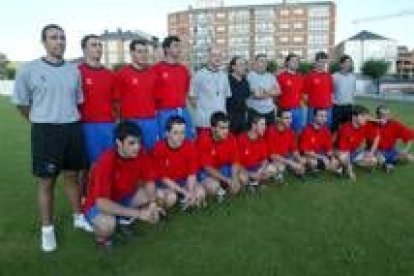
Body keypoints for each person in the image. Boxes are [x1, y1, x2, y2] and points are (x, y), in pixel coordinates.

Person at [11, 24, 91, 252]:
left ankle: (78, 217)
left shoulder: (73, 70)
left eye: (62, 38)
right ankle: (47, 230)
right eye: (54, 38)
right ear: (44, 42)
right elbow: (22, 104)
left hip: (72, 128)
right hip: (46, 131)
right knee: (46, 181)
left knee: (72, 176)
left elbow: (77, 101)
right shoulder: (29, 70)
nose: (59, 42)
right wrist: (40, 120)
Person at [82, 121, 163, 249]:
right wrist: (138, 214)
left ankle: (122, 219)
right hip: (98, 204)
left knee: (158, 194)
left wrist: (152, 203)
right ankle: (102, 239)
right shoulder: (106, 161)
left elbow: (149, 180)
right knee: (107, 224)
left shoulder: (140, 153)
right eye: (131, 143)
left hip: (123, 197)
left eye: (139, 142)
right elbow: (101, 203)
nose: (137, 147)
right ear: (119, 143)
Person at [78, 34, 117, 165]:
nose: (98, 48)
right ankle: (87, 186)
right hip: (86, 126)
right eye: (94, 45)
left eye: (100, 45)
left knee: (108, 164)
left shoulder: (109, 74)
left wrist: (115, 121)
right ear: (84, 49)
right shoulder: (77, 72)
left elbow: (116, 101)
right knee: (87, 167)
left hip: (108, 125)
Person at [152, 116, 205, 209]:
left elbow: (192, 173)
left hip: (183, 181)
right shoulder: (159, 148)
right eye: (175, 133)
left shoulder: (189, 146)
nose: (180, 136)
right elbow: (163, 178)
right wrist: (184, 192)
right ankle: (180, 197)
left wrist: (191, 191)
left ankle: (185, 199)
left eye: (182, 132)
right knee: (171, 198)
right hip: (166, 184)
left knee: (200, 193)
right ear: (167, 133)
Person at [115, 39, 159, 150]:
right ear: (132, 53)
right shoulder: (122, 74)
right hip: (131, 122)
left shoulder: (152, 74)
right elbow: (116, 101)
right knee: (132, 155)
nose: (143, 55)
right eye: (140, 51)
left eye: (145, 51)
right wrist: (120, 121)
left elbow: (156, 98)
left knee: (151, 153)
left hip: (150, 121)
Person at [152, 36, 194, 139]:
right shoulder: (156, 69)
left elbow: (186, 92)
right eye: (176, 46)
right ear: (166, 49)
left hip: (182, 111)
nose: (179, 49)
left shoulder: (183, 70)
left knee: (186, 141)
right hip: (165, 113)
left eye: (180, 46)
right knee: (167, 142)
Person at [196, 112, 242, 199]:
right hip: (206, 172)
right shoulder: (203, 139)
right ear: (213, 129)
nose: (226, 131)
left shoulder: (231, 137)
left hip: (223, 168)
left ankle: (226, 194)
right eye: (222, 128)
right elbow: (207, 167)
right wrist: (227, 180)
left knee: (242, 178)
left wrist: (234, 178)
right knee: (213, 187)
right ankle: (218, 191)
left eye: (227, 128)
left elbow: (235, 161)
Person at [189, 46, 231, 135]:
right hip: (204, 123)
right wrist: (203, 111)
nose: (217, 58)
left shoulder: (224, 76)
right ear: (208, 57)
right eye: (214, 55)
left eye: (220, 55)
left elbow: (225, 98)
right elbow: (192, 97)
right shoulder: (199, 75)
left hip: (221, 123)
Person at [336, 105, 379, 181]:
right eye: (363, 116)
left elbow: (377, 137)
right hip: (341, 153)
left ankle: (347, 166)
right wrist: (351, 173)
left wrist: (371, 152)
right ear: (354, 117)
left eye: (366, 116)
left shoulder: (364, 125)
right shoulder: (345, 129)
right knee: (341, 159)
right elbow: (343, 152)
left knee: (374, 160)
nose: (365, 119)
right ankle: (344, 167)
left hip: (354, 152)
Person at [366, 105, 414, 171]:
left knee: (410, 158)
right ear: (377, 115)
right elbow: (361, 117)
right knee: (378, 160)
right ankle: (387, 164)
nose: (385, 117)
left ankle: (388, 164)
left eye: (387, 115)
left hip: (391, 151)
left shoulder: (393, 124)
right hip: (376, 151)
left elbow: (409, 135)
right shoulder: (370, 124)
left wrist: (405, 150)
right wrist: (376, 120)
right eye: (382, 115)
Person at [237, 113, 276, 189]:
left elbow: (265, 160)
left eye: (265, 125)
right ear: (254, 125)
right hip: (244, 169)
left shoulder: (261, 139)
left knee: (272, 169)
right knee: (243, 178)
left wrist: (260, 171)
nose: (265, 127)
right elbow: (236, 163)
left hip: (257, 167)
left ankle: (256, 182)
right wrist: (249, 173)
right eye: (262, 124)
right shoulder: (241, 139)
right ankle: (253, 182)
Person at [266, 109, 306, 181]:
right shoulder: (271, 131)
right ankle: (281, 172)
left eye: (290, 118)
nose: (289, 120)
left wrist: (299, 159)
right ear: (278, 119)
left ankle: (286, 170)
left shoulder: (290, 131)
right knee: (279, 167)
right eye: (286, 118)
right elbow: (273, 156)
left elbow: (294, 150)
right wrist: (291, 163)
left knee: (302, 162)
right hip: (273, 159)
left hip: (285, 157)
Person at [299, 108, 339, 173]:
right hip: (309, 155)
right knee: (313, 163)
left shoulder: (326, 130)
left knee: (335, 162)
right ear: (314, 117)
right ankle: (309, 167)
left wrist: (332, 157)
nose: (323, 118)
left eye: (325, 116)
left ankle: (318, 167)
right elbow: (305, 151)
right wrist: (321, 157)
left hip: (320, 154)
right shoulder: (307, 130)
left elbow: (329, 149)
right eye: (321, 116)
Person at [246, 53, 280, 125]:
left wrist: (264, 92)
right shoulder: (249, 76)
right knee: (256, 135)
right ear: (256, 63)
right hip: (254, 111)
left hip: (269, 111)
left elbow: (278, 91)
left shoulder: (271, 76)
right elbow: (256, 95)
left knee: (270, 134)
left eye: (265, 61)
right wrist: (270, 92)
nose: (264, 63)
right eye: (261, 61)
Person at [277, 53, 306, 133]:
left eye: (297, 60)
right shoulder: (281, 77)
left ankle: (295, 146)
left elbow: (302, 93)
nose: (296, 62)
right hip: (285, 110)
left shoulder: (300, 77)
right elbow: (276, 95)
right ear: (287, 63)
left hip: (298, 110)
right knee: (284, 132)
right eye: (293, 60)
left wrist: (302, 105)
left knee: (298, 132)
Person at [304, 51, 334, 128]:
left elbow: (331, 93)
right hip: (313, 108)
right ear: (316, 62)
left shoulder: (329, 76)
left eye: (324, 62)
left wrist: (329, 104)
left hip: (327, 108)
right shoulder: (309, 76)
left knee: (326, 127)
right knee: (312, 127)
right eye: (320, 62)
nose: (322, 64)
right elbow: (305, 95)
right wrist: (312, 104)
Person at [332, 55, 356, 132]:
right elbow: (331, 92)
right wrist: (333, 102)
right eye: (346, 62)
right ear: (341, 64)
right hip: (337, 107)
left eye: (350, 62)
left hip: (349, 107)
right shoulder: (334, 76)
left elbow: (353, 91)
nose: (348, 64)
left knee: (347, 129)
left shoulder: (353, 77)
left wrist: (351, 102)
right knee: (334, 128)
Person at [226, 56, 250, 134]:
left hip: (242, 118)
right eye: (240, 65)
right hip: (229, 117)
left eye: (244, 64)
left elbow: (246, 98)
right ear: (233, 67)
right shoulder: (226, 81)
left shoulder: (245, 82)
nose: (243, 67)